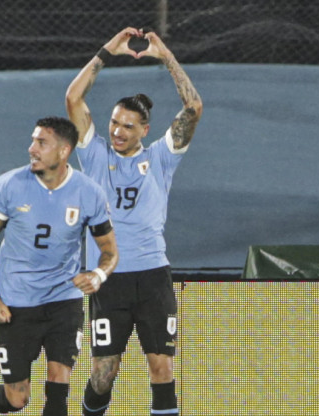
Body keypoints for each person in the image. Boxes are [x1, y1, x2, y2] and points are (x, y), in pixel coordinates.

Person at [65, 27, 202, 416]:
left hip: (154, 276)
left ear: (144, 130)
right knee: (103, 373)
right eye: (113, 123)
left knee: (162, 368)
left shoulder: (161, 157)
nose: (117, 131)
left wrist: (166, 57)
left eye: (128, 126)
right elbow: (73, 97)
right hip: (109, 280)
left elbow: (193, 109)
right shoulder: (93, 156)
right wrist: (109, 50)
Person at [0, 117, 118, 416]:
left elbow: (110, 251)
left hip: (63, 300)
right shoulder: (8, 186)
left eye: (41, 143)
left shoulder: (88, 192)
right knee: (18, 399)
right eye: (32, 141)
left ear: (64, 150)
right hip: (16, 301)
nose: (32, 149)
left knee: (58, 390)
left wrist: (98, 274)